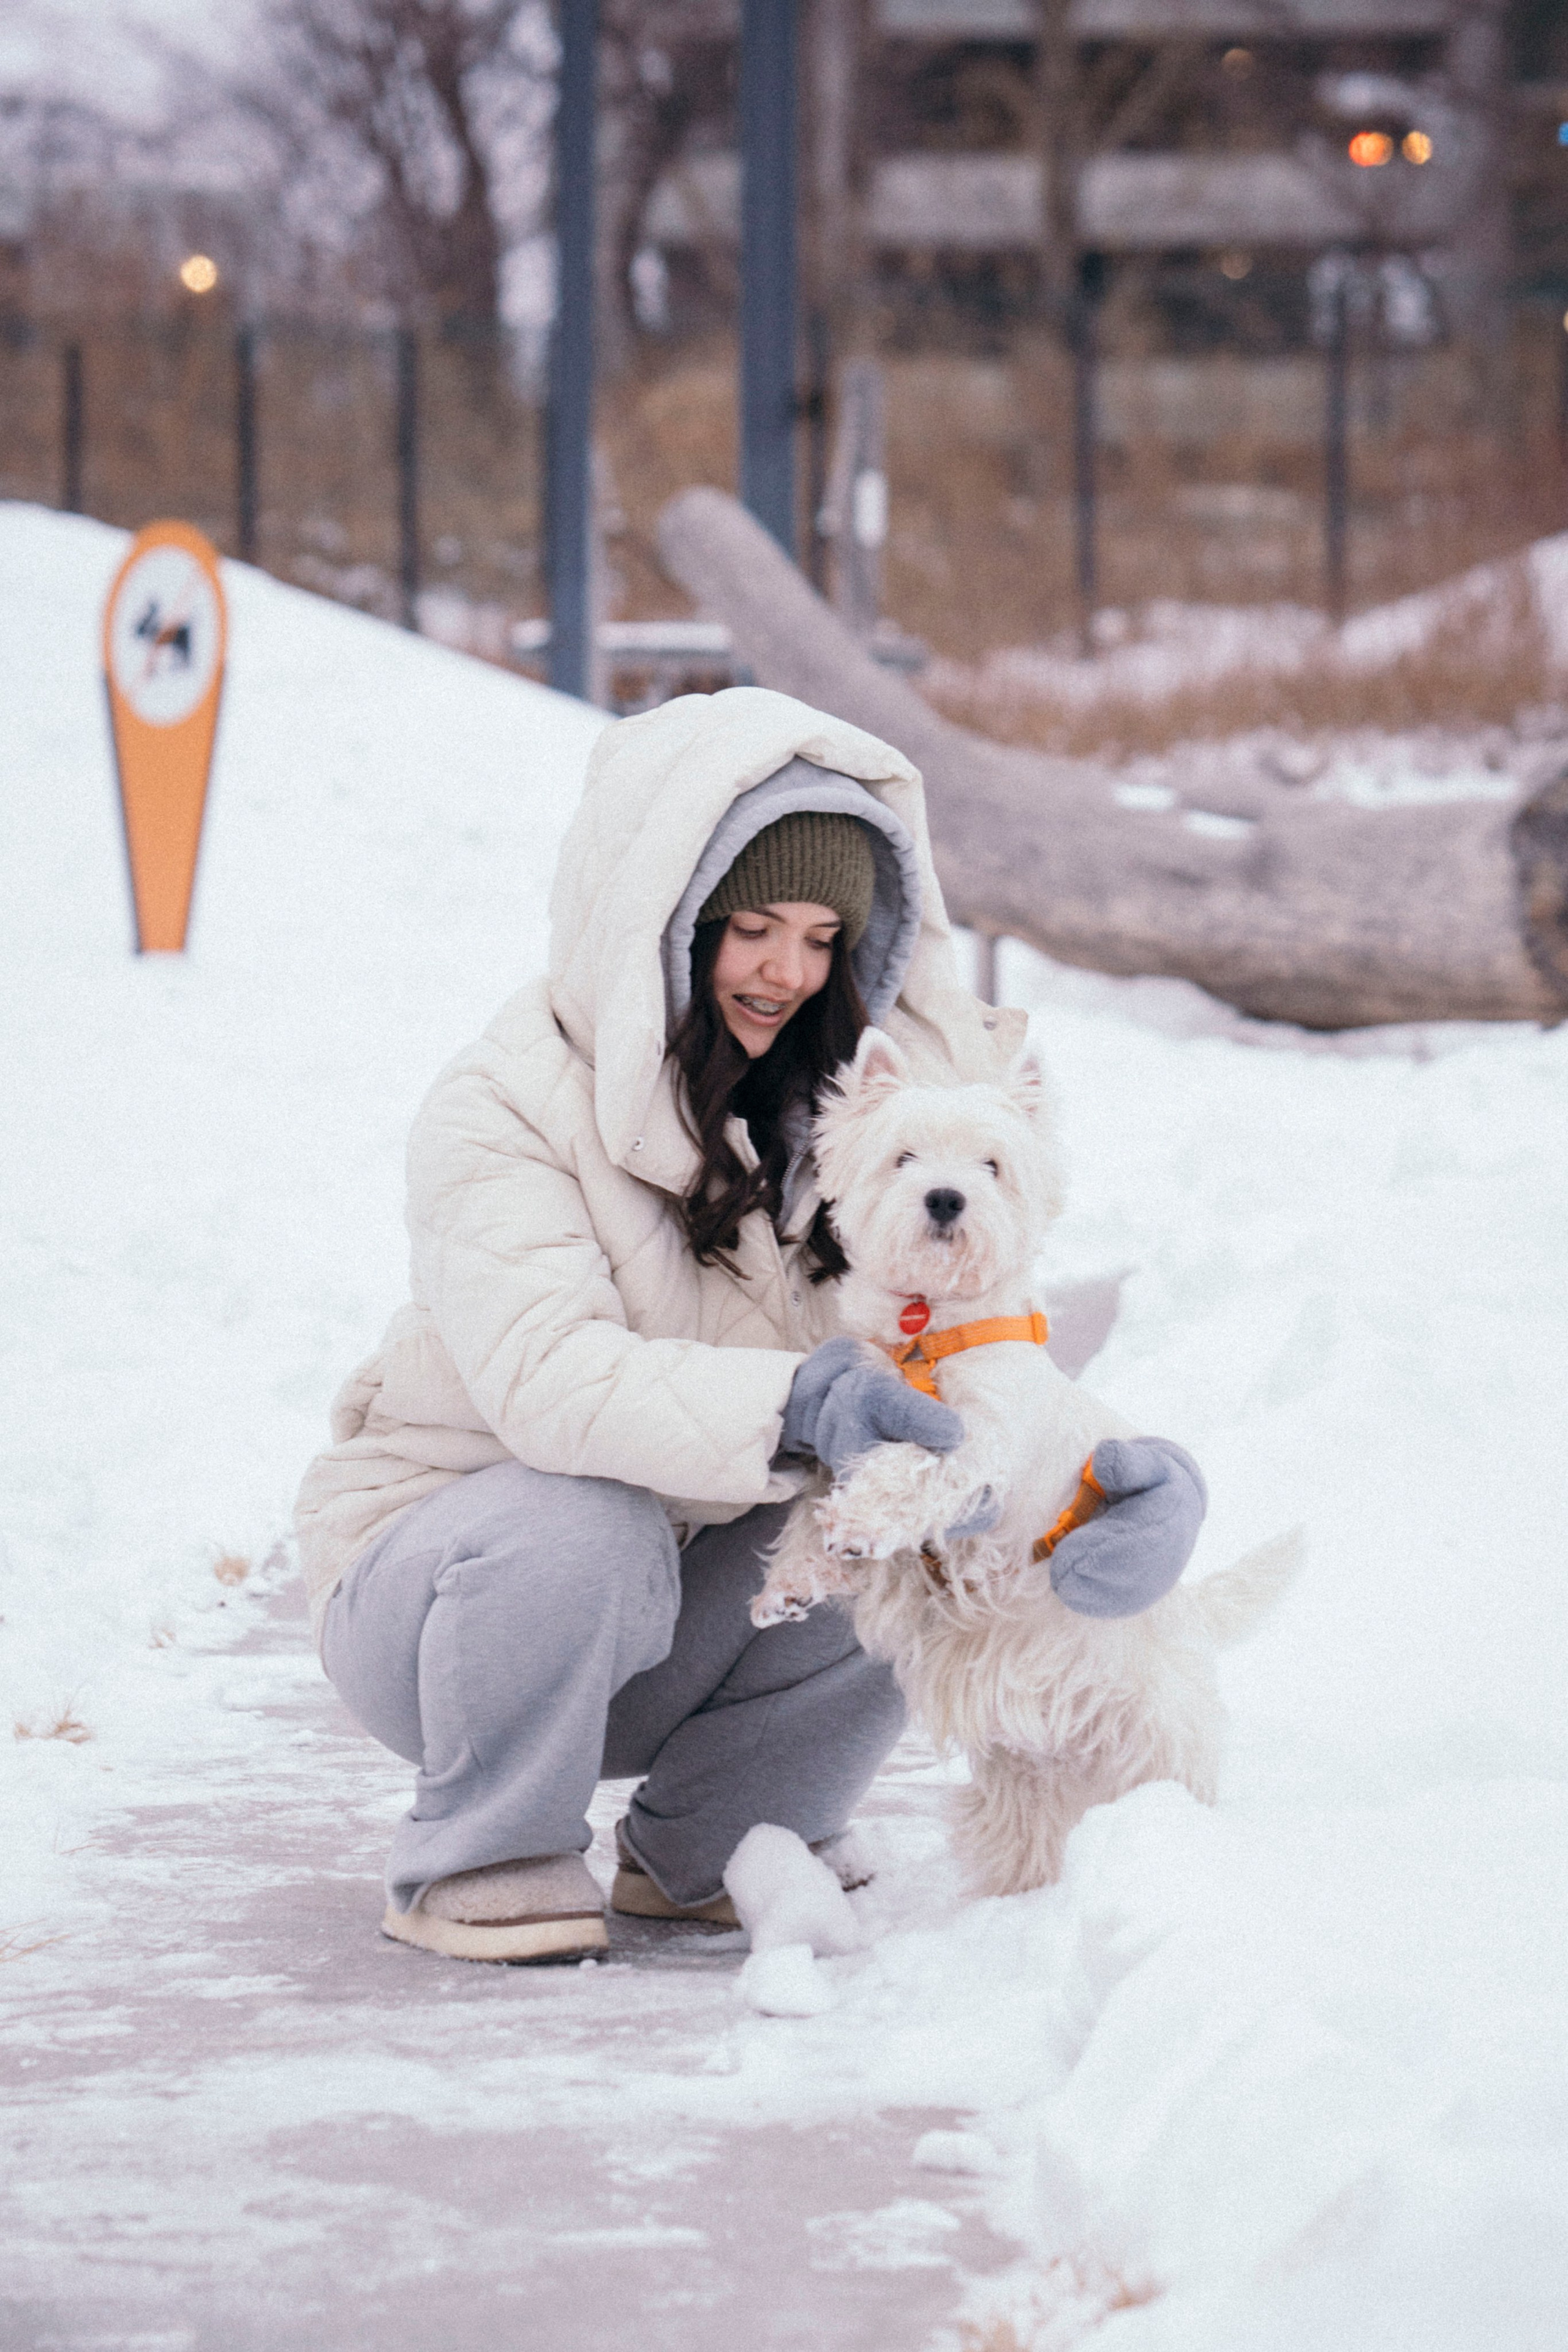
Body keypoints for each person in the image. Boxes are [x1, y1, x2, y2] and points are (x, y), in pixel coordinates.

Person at [295, 687, 1205, 1964]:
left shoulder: (849, 1129)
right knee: (590, 1519)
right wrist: (798, 1405)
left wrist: (1108, 1495)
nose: (789, 970)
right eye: (753, 928)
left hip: (678, 1606)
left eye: (824, 937)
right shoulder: (502, 1105)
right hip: (456, 1607)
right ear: (664, 922)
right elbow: (551, 1382)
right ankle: (484, 1851)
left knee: (881, 1528)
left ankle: (717, 1846)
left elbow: (968, 1391)